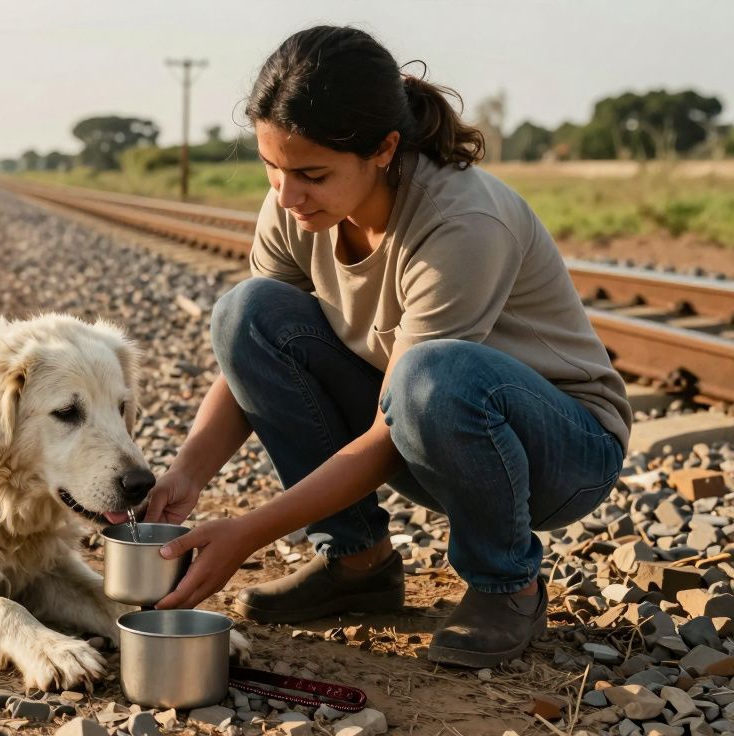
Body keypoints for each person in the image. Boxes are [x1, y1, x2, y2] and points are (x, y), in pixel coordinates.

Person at [143, 25, 630, 668]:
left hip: (559, 452)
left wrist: (250, 532)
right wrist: (186, 474)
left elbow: (393, 425)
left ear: (384, 148)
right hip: (425, 422)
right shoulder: (294, 206)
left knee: (431, 375)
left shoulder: (460, 221)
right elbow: (252, 356)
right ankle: (357, 564)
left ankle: (506, 583)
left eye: (312, 174)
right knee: (247, 312)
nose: (288, 197)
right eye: (273, 168)